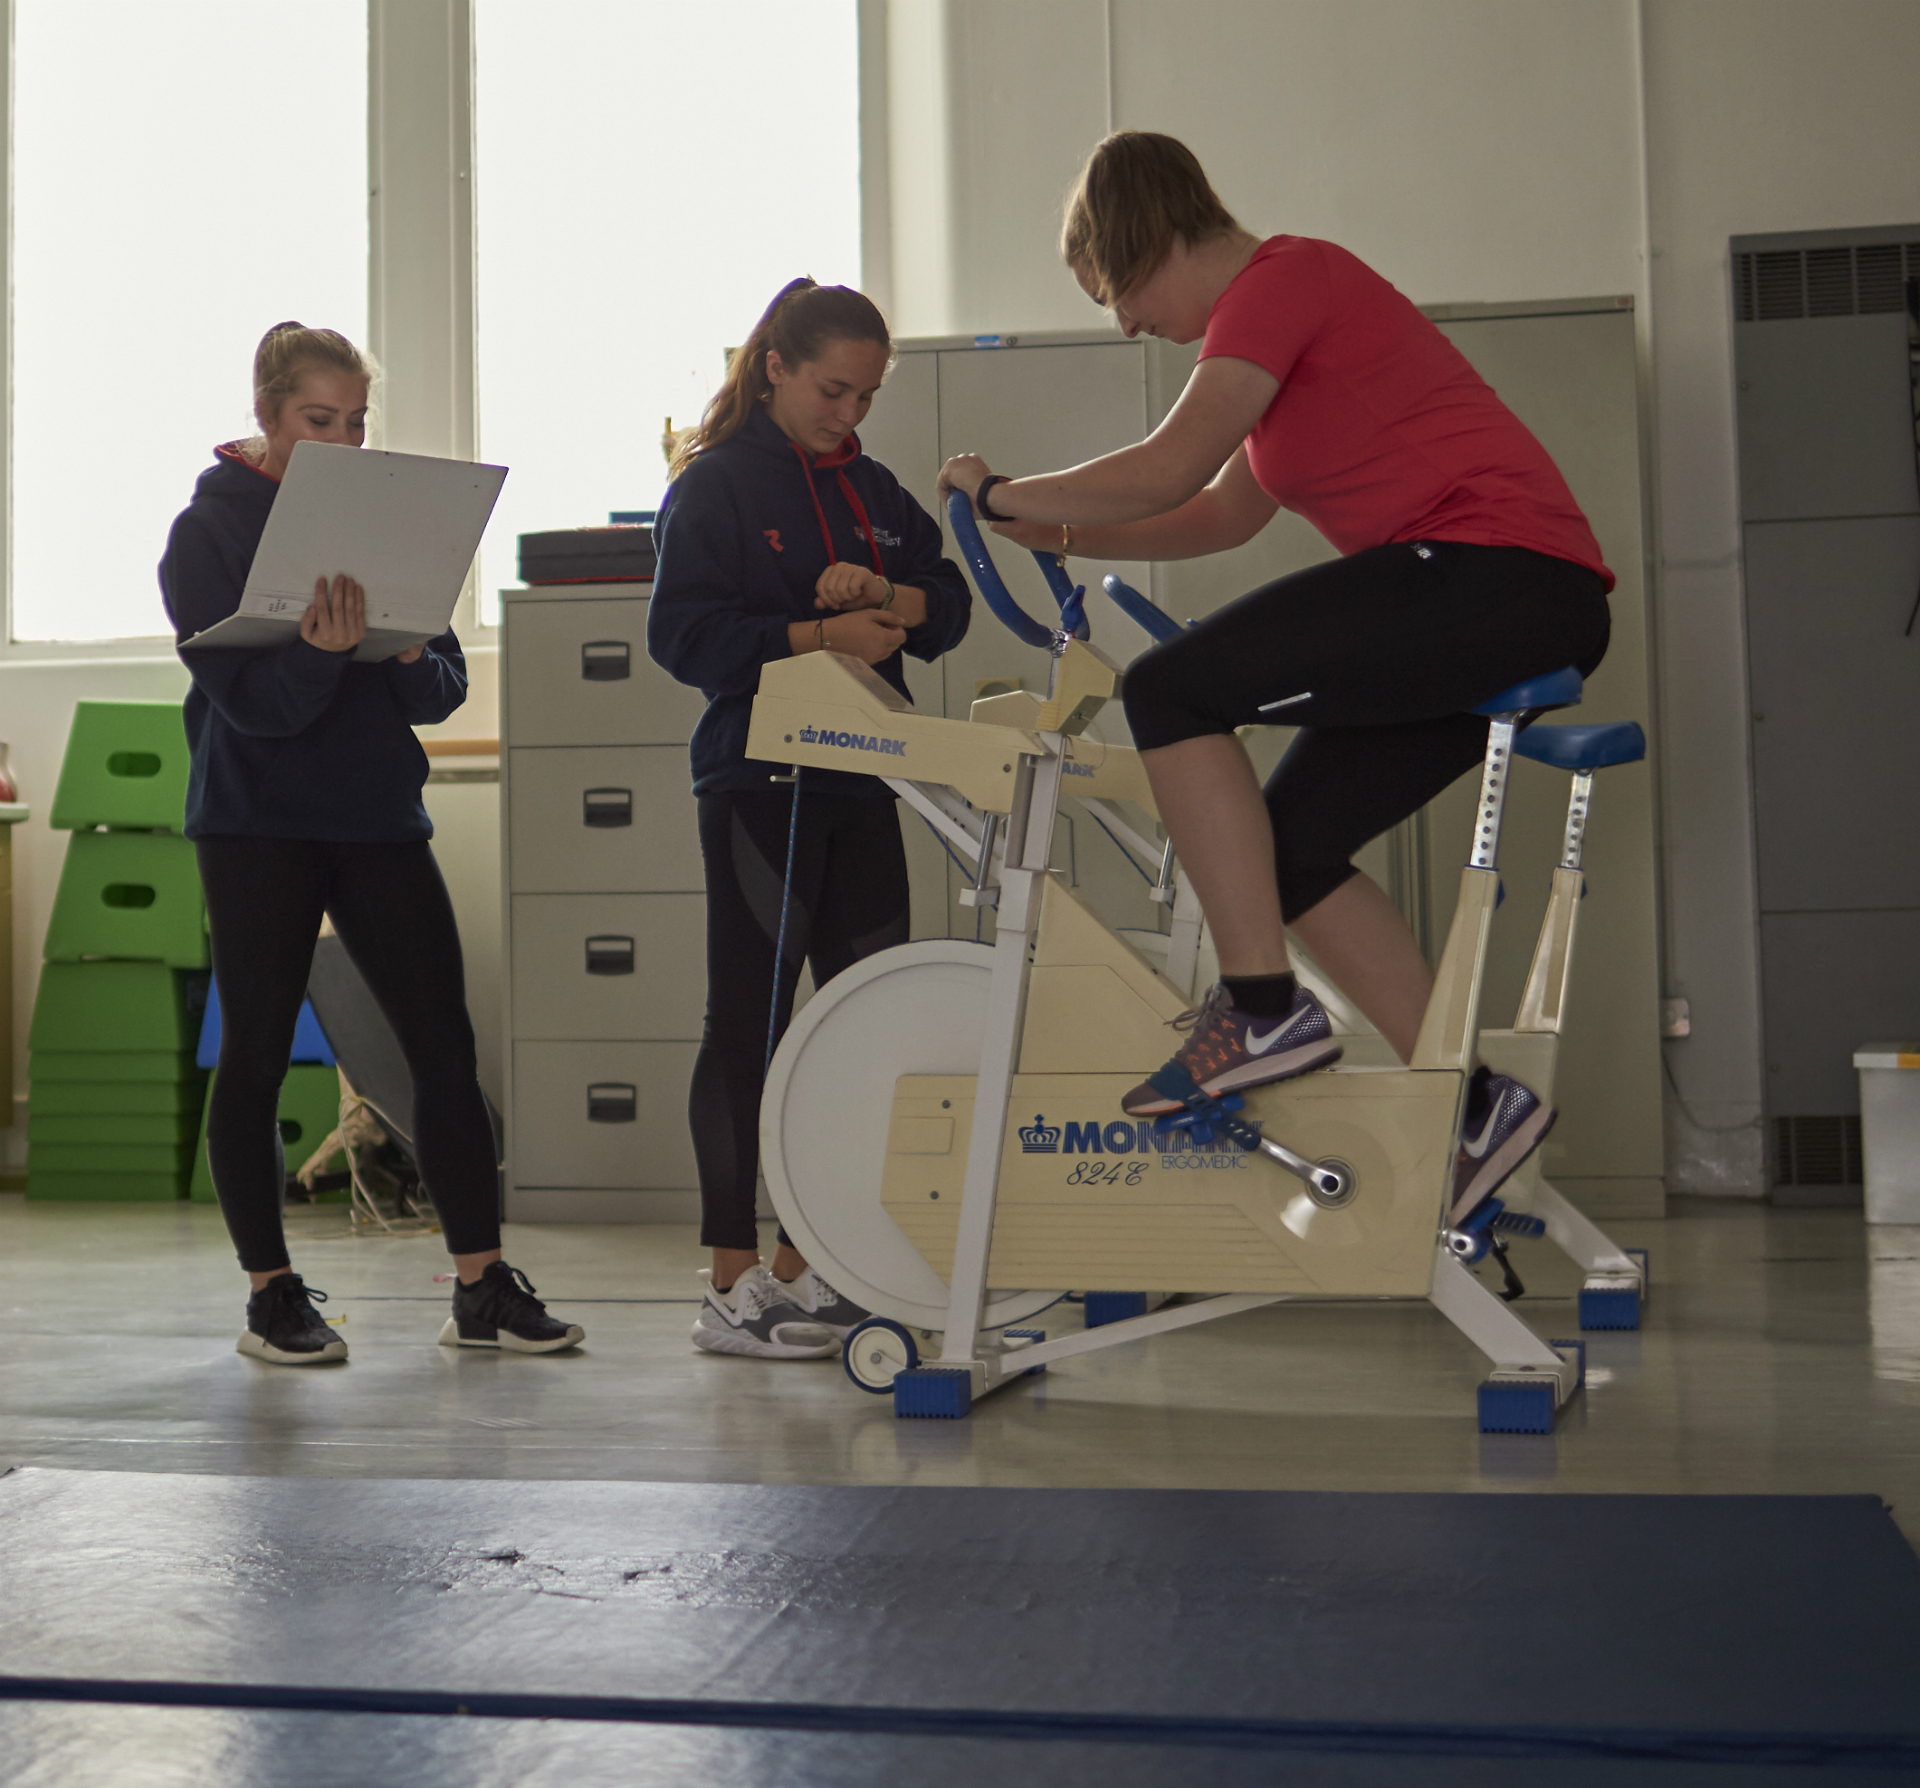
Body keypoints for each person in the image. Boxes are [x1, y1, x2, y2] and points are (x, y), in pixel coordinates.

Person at [937, 133, 1613, 1225]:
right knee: (1286, 854)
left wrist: (1000, 494)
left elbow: (1167, 468)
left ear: (1145, 237)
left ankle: (1260, 1010)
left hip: (1500, 576)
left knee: (1170, 691)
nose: (1125, 323)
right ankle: (1478, 1108)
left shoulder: (1285, 279)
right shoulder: (1268, 346)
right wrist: (1050, 529)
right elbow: (1215, 514)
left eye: (1114, 291)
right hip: (1487, 600)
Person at [160, 321, 584, 1365]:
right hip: (256, 821)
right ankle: (271, 1298)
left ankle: (480, 1289)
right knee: (256, 1055)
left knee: (442, 1048)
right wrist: (321, 655)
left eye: (356, 421)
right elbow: (254, 707)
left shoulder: (387, 518)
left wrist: (396, 658)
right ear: (267, 416)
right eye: (320, 420)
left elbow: (441, 688)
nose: (344, 441)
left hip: (376, 815)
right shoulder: (206, 532)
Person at [650, 278, 971, 1358]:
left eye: (868, 396)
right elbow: (684, 639)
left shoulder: (873, 488)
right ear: (776, 367)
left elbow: (949, 604)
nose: (850, 412)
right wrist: (815, 637)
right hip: (761, 784)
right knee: (750, 1024)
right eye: (833, 390)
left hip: (866, 778)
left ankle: (811, 1263)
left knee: (864, 1026)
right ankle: (730, 1281)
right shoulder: (717, 485)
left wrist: (886, 596)